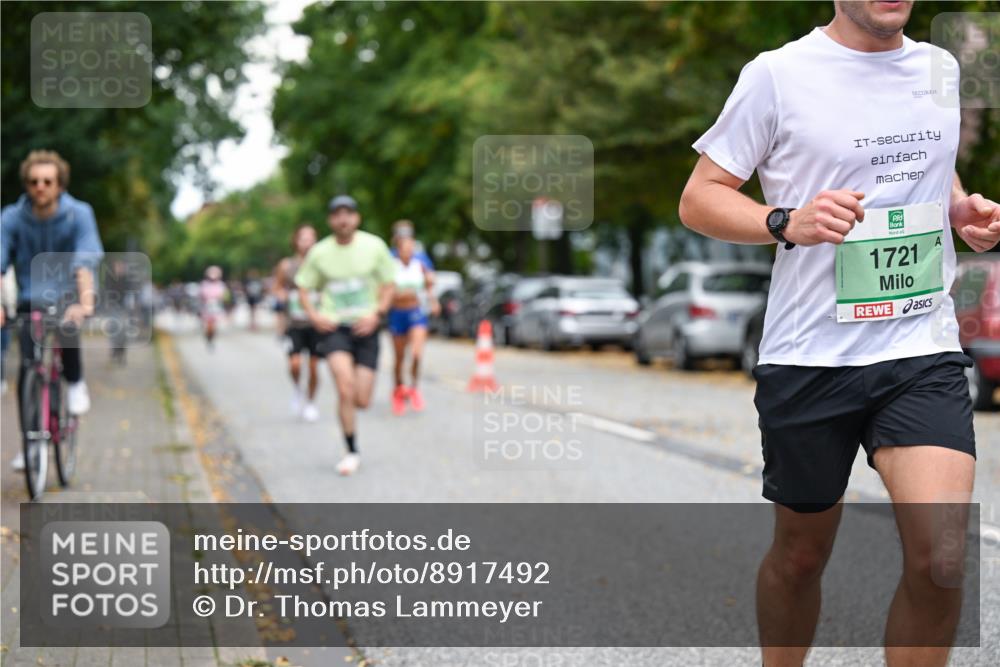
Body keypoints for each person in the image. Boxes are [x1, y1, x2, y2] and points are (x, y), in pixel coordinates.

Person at [679, 3, 1000, 666]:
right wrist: (784, 221)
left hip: (920, 346)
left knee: (941, 556)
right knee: (800, 555)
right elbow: (699, 196)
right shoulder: (778, 75)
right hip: (810, 357)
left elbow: (932, 166)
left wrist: (957, 208)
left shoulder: (939, 70)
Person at [1, 150, 104, 470]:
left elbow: (85, 259)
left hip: (69, 293)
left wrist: (85, 303)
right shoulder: (12, 217)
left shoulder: (79, 214)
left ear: (60, 185)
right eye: (34, 181)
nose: (40, 187)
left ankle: (75, 381)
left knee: (67, 324)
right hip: (31, 297)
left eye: (47, 181)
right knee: (28, 367)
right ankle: (31, 444)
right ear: (27, 185)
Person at [295, 195, 396, 476]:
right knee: (344, 388)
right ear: (330, 220)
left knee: (361, 399)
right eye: (337, 214)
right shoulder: (319, 253)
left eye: (348, 213)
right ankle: (351, 450)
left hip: (366, 327)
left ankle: (353, 422)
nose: (343, 219)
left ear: (356, 218)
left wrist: (377, 314)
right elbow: (303, 287)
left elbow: (389, 284)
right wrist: (315, 316)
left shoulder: (374, 246)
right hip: (335, 328)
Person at [387, 222, 439, 414]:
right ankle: (398, 390)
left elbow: (429, 281)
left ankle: (414, 387)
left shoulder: (420, 260)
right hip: (397, 313)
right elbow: (385, 289)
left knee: (417, 353)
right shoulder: (390, 260)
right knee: (400, 357)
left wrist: (433, 300)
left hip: (416, 312)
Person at [272, 224, 321, 421]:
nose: (307, 243)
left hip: (316, 323)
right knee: (295, 364)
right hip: (294, 323)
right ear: (296, 241)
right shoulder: (286, 265)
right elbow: (277, 287)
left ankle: (310, 402)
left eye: (311, 238)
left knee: (314, 367)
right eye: (303, 239)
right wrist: (282, 295)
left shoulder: (321, 264)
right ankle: (297, 389)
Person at [200, 266, 227, 350]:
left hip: (216, 306)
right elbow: (201, 295)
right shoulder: (204, 284)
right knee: (208, 324)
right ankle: (208, 338)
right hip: (207, 306)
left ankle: (212, 338)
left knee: (214, 324)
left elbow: (222, 295)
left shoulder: (220, 284)